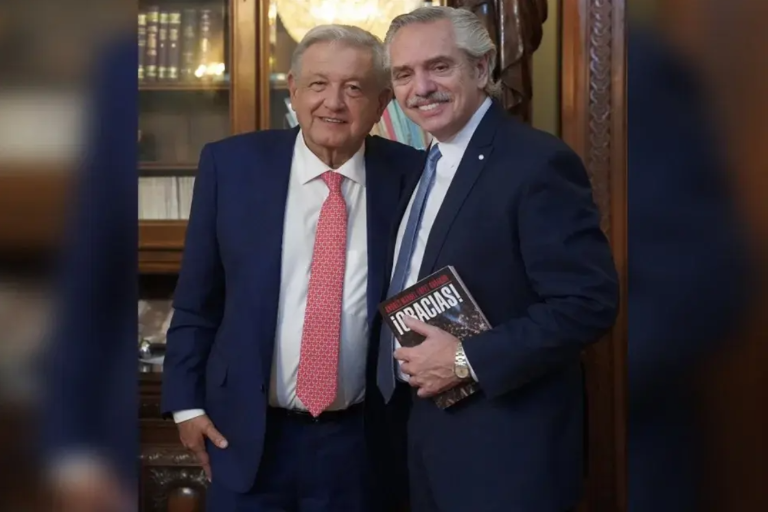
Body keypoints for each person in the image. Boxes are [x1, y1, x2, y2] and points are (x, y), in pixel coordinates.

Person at [161, 24, 423, 511]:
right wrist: (186, 405)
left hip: (364, 444)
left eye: (354, 88)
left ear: (382, 102)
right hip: (245, 437)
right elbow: (198, 300)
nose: (333, 103)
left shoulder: (413, 175)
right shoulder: (231, 167)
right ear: (294, 89)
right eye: (319, 84)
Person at [376, 6, 619, 512]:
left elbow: (587, 303)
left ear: (482, 67)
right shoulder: (422, 165)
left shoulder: (536, 162)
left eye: (439, 66)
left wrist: (464, 360)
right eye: (404, 74)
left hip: (506, 452)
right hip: (423, 437)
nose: (421, 88)